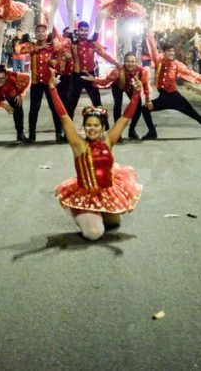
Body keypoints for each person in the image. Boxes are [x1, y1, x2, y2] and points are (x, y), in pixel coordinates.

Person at [46, 72, 143, 240]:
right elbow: (64, 117)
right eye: (88, 125)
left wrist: (136, 93)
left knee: (114, 222)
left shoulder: (109, 141)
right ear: (83, 127)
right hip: (86, 193)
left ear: (102, 127)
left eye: (96, 126)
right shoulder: (78, 145)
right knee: (94, 234)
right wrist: (52, 90)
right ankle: (78, 211)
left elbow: (125, 118)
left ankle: (98, 214)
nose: (92, 129)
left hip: (106, 191)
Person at [145, 31, 201, 139]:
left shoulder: (177, 65)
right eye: (168, 51)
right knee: (144, 109)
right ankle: (152, 132)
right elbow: (152, 50)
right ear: (163, 52)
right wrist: (149, 34)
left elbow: (191, 73)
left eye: (172, 51)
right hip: (163, 98)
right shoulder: (158, 62)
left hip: (175, 98)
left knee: (193, 114)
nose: (171, 53)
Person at [87, 51, 156, 141]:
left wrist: (147, 99)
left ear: (136, 62)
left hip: (131, 87)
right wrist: (94, 79)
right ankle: (117, 132)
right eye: (128, 61)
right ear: (124, 62)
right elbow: (106, 81)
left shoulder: (141, 71)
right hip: (118, 86)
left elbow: (146, 85)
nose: (130, 64)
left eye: (132, 62)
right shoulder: (117, 71)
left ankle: (132, 131)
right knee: (117, 105)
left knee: (138, 106)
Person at [13, 25, 63, 143]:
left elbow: (60, 59)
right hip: (36, 82)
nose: (40, 33)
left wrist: (55, 62)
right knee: (34, 109)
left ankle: (59, 133)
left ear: (46, 33)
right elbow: (19, 50)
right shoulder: (32, 46)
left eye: (43, 31)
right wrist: (39, 47)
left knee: (54, 108)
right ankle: (32, 135)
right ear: (35, 34)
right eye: (38, 31)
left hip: (49, 82)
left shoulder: (52, 47)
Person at [61, 21, 118, 118]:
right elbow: (64, 53)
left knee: (97, 103)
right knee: (70, 105)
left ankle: (105, 128)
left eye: (86, 30)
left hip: (90, 76)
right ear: (78, 31)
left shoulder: (93, 43)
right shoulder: (72, 43)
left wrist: (117, 63)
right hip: (76, 77)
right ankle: (67, 131)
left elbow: (104, 55)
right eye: (82, 30)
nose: (84, 32)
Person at [0, 64, 31, 145]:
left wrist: (21, 94)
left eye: (2, 78)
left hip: (10, 92)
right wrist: (4, 105)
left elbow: (27, 79)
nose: (0, 80)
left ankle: (20, 133)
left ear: (6, 77)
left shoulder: (13, 77)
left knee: (18, 105)